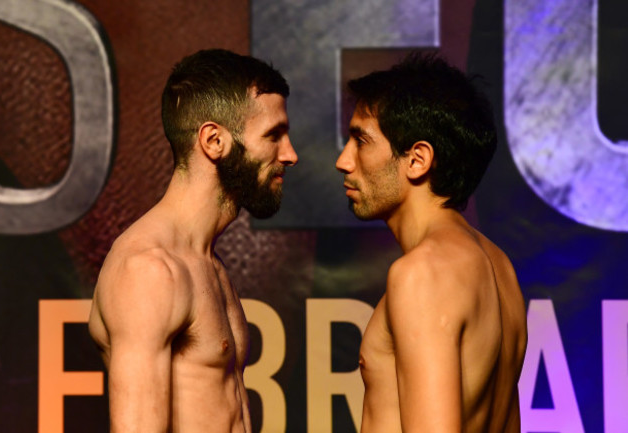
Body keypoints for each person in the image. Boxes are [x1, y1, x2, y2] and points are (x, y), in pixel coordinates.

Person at [88, 49, 297, 432]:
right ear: (214, 141)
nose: (290, 154)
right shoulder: (150, 270)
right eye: (273, 135)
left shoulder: (206, 263)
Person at [336, 53, 527, 432]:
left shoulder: (422, 273)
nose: (344, 160)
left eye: (361, 140)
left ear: (417, 159)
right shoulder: (500, 266)